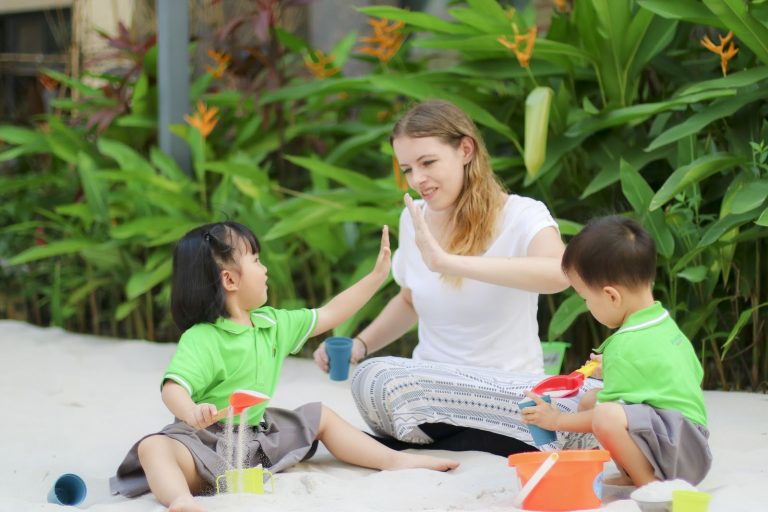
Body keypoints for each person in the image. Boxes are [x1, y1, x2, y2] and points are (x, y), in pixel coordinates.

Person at [312, 99, 599, 456]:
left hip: (506, 393)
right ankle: (475, 441)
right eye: (408, 169)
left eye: (428, 163)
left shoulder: (522, 214)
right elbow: (409, 301)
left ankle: (461, 442)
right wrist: (360, 345)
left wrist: (450, 263)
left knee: (592, 404)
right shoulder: (413, 218)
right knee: (373, 379)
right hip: (433, 393)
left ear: (465, 150)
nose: (417, 179)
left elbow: (559, 273)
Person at [110, 221, 458, 512]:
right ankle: (181, 500)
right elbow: (173, 386)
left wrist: (377, 277)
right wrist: (190, 411)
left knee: (320, 415)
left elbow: (330, 313)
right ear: (230, 280)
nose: (264, 269)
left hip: (259, 438)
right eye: (256, 260)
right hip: (206, 442)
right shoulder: (203, 337)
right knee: (153, 447)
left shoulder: (272, 323)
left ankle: (394, 461)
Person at [521, 216, 712, 486]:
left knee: (604, 414)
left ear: (611, 296)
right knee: (591, 399)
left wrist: (557, 420)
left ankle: (649, 484)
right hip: (692, 444)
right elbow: (683, 375)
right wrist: (612, 369)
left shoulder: (623, 346)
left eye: (586, 298)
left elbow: (602, 418)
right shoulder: (663, 323)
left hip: (677, 451)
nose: (588, 306)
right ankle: (632, 473)